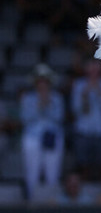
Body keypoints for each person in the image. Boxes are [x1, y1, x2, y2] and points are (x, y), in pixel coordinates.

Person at [20, 63, 66, 201]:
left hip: (52, 136)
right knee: (32, 171)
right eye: (40, 80)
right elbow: (25, 118)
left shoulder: (57, 98)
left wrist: (48, 103)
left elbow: (59, 117)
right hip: (32, 137)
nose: (42, 83)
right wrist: (40, 105)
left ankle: (51, 200)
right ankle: (31, 200)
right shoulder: (28, 98)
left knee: (52, 172)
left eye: (45, 80)